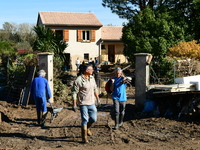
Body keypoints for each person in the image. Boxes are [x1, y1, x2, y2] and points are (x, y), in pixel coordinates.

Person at [71, 64, 101, 143]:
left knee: (94, 119)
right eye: (91, 69)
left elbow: (95, 89)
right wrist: (74, 104)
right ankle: (84, 137)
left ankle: (87, 128)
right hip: (83, 103)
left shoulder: (92, 78)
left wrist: (98, 99)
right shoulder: (79, 80)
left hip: (92, 102)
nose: (93, 70)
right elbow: (74, 93)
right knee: (85, 119)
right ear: (86, 71)